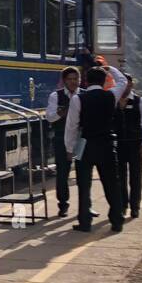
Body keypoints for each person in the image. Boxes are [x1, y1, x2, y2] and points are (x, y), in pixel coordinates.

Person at [64, 66, 123, 233]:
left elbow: (71, 126)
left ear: (86, 81)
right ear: (104, 81)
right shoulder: (111, 95)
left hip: (86, 145)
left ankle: (85, 222)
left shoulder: (78, 99)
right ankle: (116, 221)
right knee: (112, 183)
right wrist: (110, 68)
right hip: (106, 144)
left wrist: (69, 149)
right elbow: (122, 81)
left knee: (84, 185)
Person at [115, 74, 142, 220]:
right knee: (120, 178)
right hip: (119, 145)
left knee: (135, 177)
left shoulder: (141, 102)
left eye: (128, 84)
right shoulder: (114, 101)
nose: (125, 87)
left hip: (135, 144)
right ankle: (123, 205)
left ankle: (135, 207)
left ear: (131, 85)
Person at [45, 66, 81, 216]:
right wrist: (65, 110)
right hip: (61, 138)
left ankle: (85, 205)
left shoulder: (85, 95)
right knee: (62, 173)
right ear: (64, 81)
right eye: (70, 79)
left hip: (80, 139)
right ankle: (63, 204)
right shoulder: (56, 96)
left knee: (83, 173)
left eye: (75, 79)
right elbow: (50, 117)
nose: (73, 82)